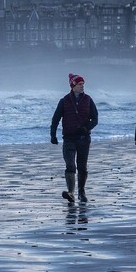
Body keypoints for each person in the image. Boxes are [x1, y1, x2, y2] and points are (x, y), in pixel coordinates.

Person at [50, 73, 99, 203]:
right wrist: (53, 135)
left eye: (83, 84)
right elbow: (55, 119)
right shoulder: (64, 101)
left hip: (84, 138)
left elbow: (95, 119)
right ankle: (71, 192)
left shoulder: (88, 100)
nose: (82, 86)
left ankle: (81, 192)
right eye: (79, 84)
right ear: (73, 86)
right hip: (69, 139)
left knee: (82, 167)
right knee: (70, 165)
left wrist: (86, 128)